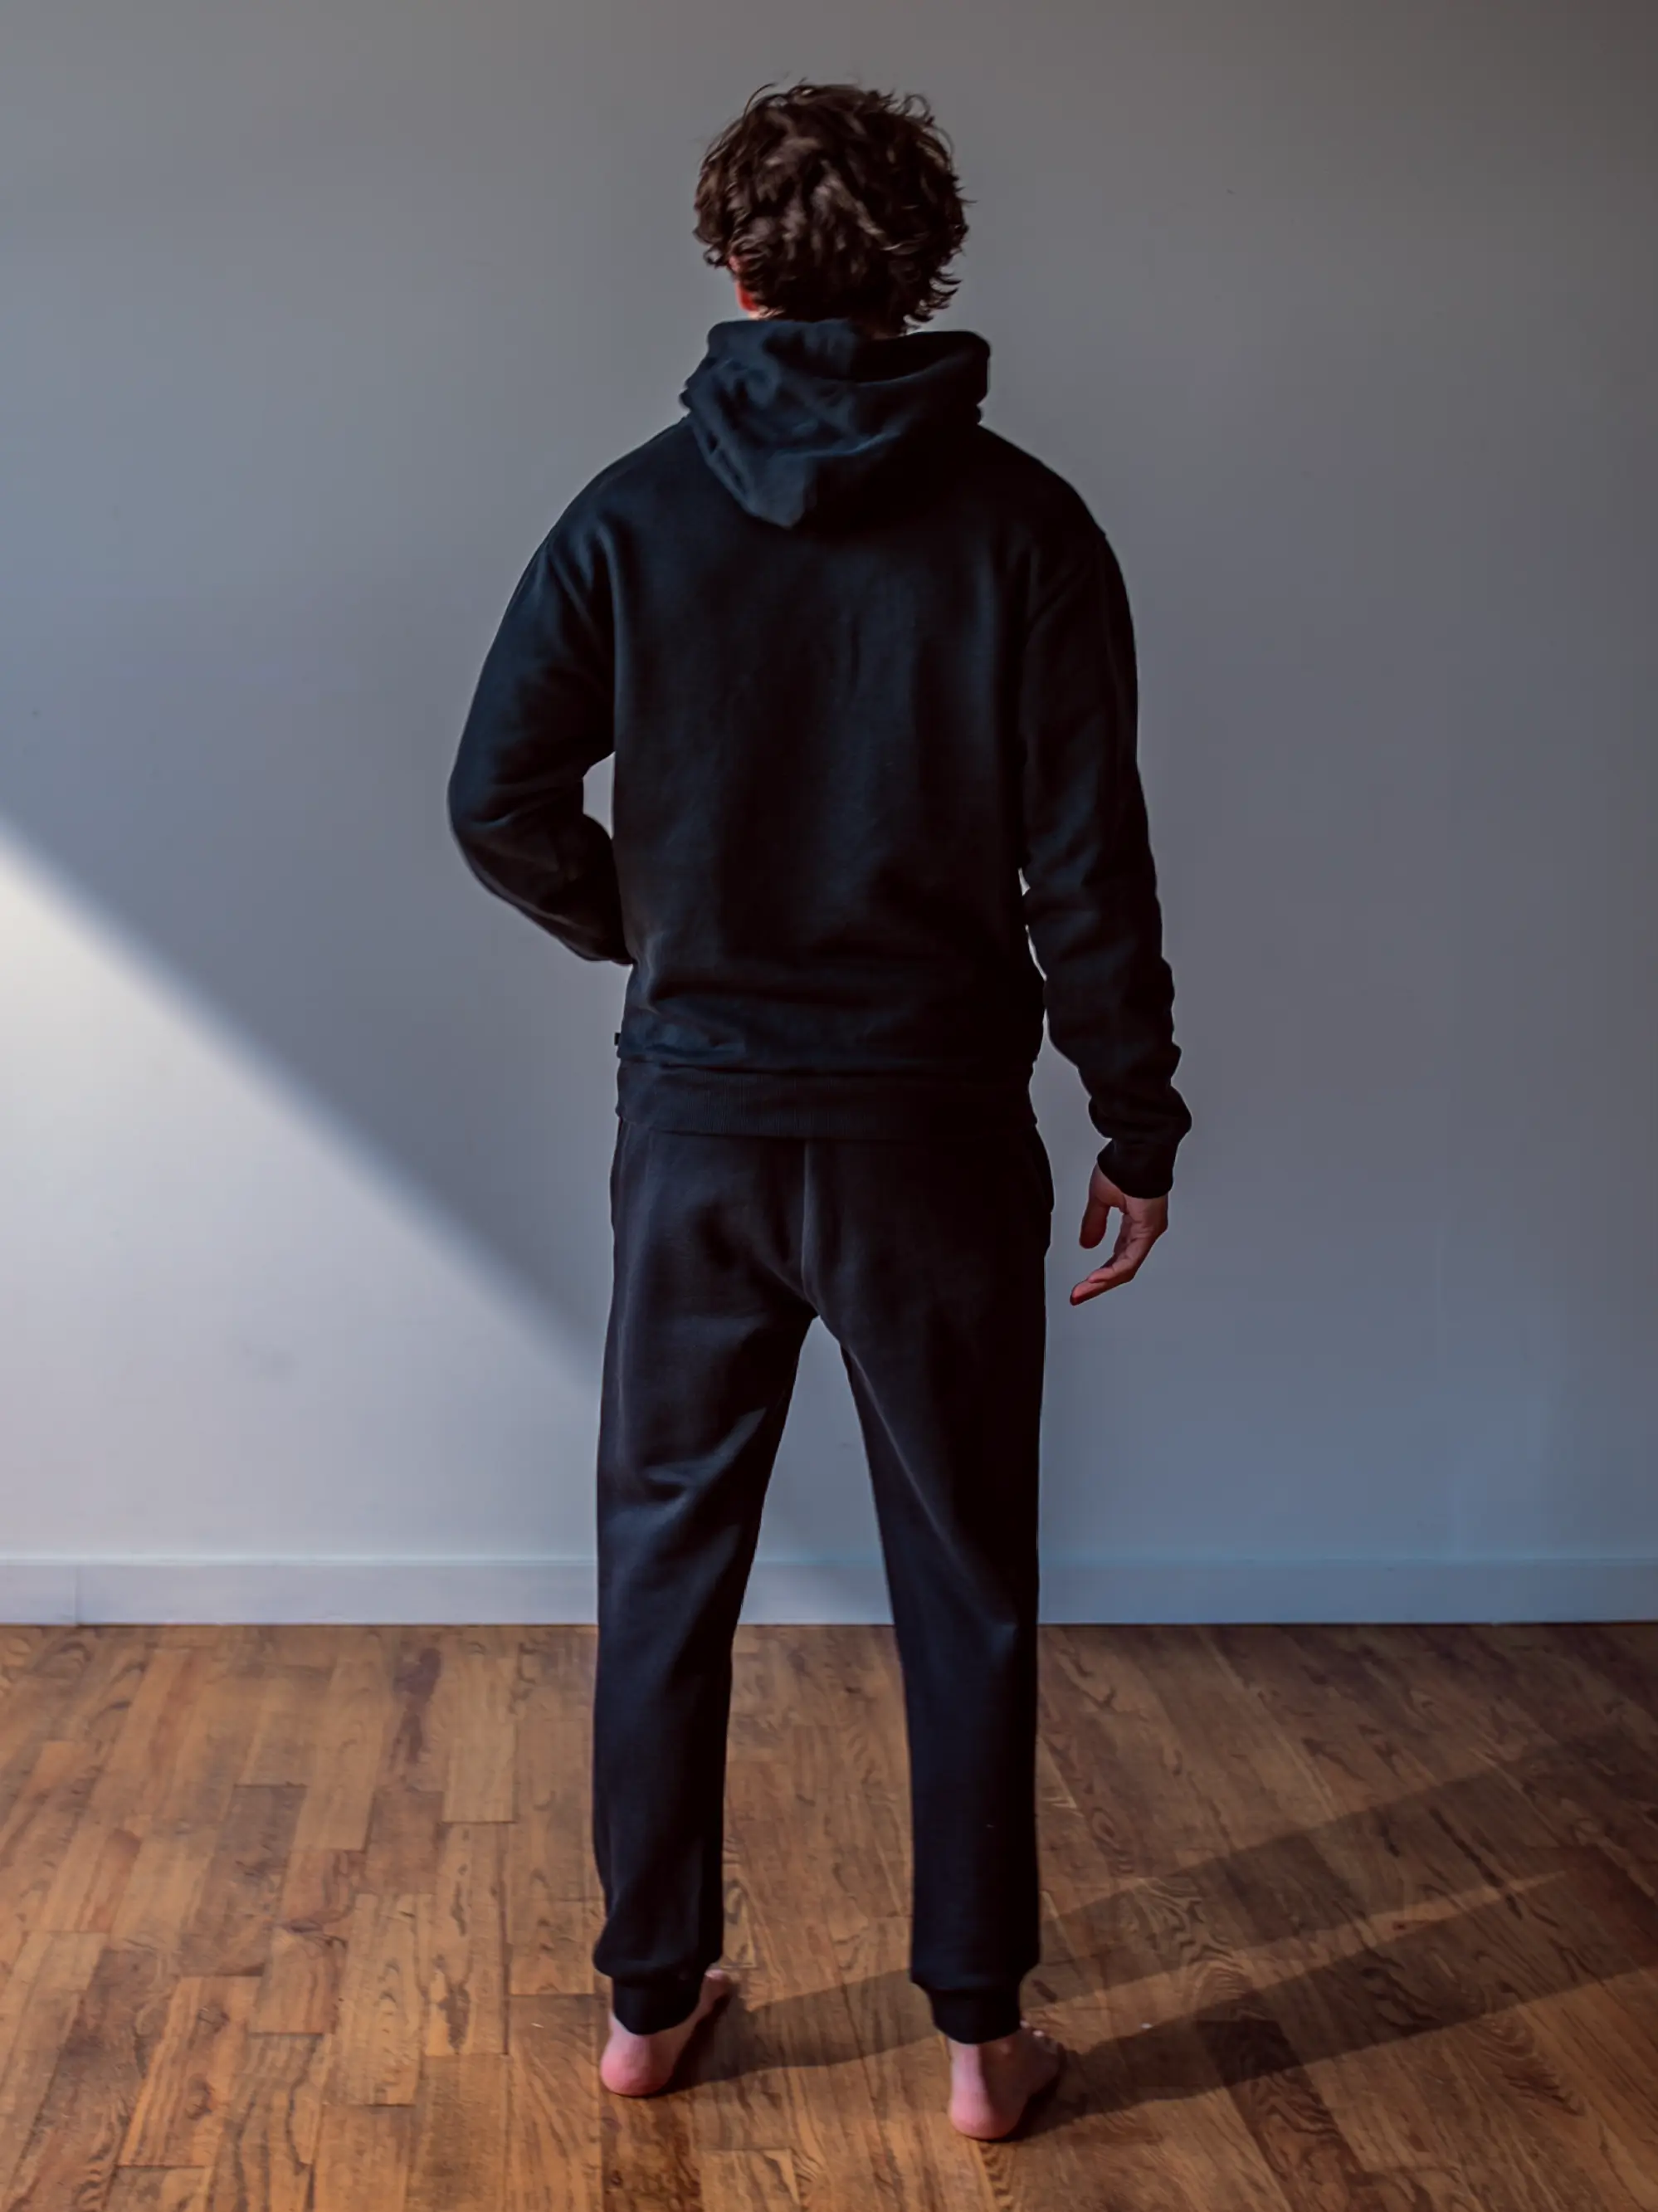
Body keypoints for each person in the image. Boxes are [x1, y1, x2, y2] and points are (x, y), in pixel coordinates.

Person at [448, 80, 1191, 2141]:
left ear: (734, 260)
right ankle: (978, 2040)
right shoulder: (1028, 525)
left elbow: (494, 802)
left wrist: (655, 934)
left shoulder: (627, 514)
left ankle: (645, 2005)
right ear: (928, 265)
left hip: (698, 1126)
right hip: (935, 1130)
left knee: (663, 1551)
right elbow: (1088, 867)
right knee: (967, 1571)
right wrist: (1137, 1122)